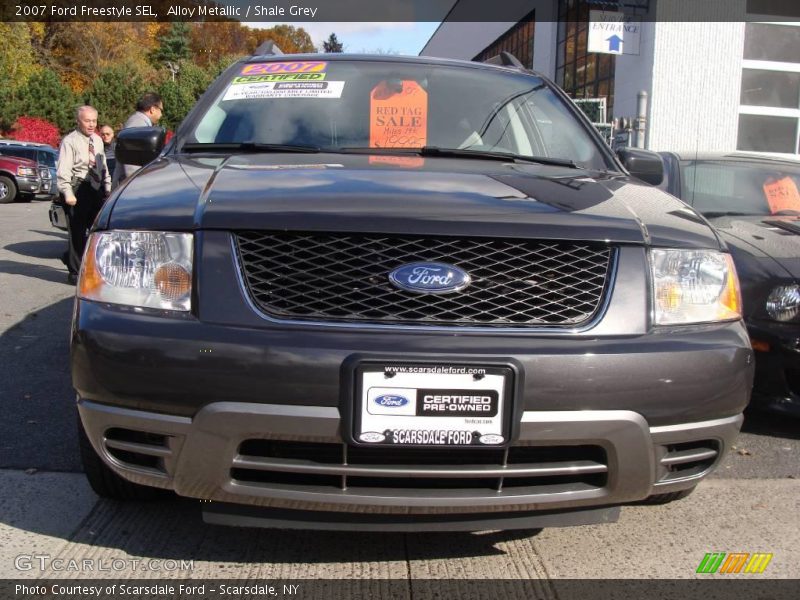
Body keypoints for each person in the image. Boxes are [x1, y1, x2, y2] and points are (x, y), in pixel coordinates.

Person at [56, 105, 111, 285]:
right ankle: (75, 272)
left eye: (94, 121)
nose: (91, 124)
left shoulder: (97, 140)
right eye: (87, 121)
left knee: (99, 230)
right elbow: (63, 170)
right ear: (78, 121)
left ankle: (92, 266)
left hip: (96, 188)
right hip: (77, 188)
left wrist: (108, 187)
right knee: (77, 233)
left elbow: (102, 167)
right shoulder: (70, 141)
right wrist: (68, 193)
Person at [112, 92, 164, 187]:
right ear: (152, 109)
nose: (161, 114)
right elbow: (132, 163)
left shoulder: (138, 121)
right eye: (161, 110)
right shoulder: (138, 124)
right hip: (130, 186)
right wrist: (138, 187)